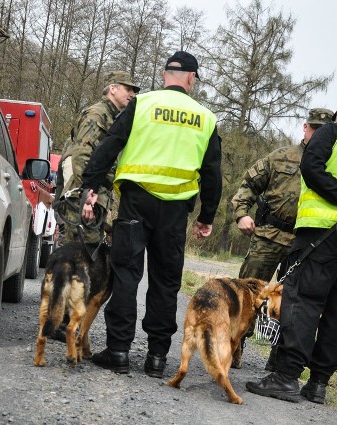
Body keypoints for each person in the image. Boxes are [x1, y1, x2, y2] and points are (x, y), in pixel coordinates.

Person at [80, 51, 222, 377]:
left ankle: (118, 351)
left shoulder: (141, 104)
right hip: (174, 212)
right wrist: (207, 216)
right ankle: (157, 358)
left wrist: (90, 185)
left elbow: (110, 145)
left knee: (127, 274)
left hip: (135, 203)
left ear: (164, 74)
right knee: (166, 282)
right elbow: (213, 172)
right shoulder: (205, 117)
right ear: (191, 78)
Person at [246, 92, 337, 404]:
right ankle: (319, 383)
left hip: (324, 233)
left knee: (303, 300)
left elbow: (311, 167)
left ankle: (286, 376)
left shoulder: (332, 133)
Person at [231, 107, 334, 369]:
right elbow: (248, 185)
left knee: (293, 302)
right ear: (305, 127)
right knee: (249, 291)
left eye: (324, 131)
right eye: (314, 128)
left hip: (306, 243)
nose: (317, 134)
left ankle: (280, 359)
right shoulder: (282, 157)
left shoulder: (334, 165)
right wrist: (242, 214)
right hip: (269, 236)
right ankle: (234, 343)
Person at [55, 70, 140, 245]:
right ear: (113, 88)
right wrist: (86, 195)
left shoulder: (114, 117)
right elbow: (82, 155)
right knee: (79, 254)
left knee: (85, 254)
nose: (132, 94)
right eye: (128, 88)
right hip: (83, 199)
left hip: (92, 196)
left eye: (134, 90)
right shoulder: (97, 115)